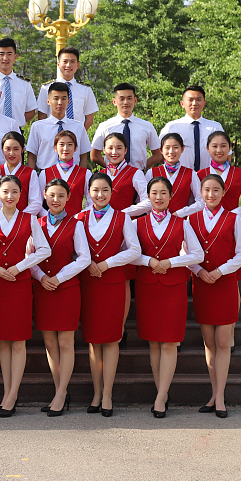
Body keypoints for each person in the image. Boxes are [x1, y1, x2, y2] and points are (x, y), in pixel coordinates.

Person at [133, 176, 204, 418]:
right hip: (147, 287)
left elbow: (198, 254)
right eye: (154, 193)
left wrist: (171, 262)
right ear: (148, 196)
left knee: (169, 342)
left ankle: (162, 397)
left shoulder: (182, 223)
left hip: (173, 287)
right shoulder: (137, 224)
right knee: (153, 342)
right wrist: (149, 260)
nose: (159, 197)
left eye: (164, 193)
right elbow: (129, 253)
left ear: (171, 196)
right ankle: (160, 391)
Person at [0, 174, 51, 417]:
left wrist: (20, 267)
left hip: (20, 284)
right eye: (5, 191)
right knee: (3, 341)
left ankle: (12, 395)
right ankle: (7, 391)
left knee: (18, 340)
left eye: (15, 192)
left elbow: (44, 250)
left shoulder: (30, 220)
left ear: (22, 195)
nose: (10, 196)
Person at [77, 173, 141, 417]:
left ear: (112, 192)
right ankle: (96, 392)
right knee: (93, 341)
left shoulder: (123, 218)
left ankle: (107, 394)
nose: (100, 195)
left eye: (105, 190)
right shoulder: (78, 218)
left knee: (111, 339)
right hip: (88, 284)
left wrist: (107, 264)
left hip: (112, 283)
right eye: (95, 190)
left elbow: (134, 250)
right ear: (88, 192)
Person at [188, 174, 241, 419]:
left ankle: (221, 396)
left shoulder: (233, 218)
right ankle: (213, 394)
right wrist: (201, 271)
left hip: (224, 284)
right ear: (200, 192)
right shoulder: (191, 220)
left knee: (223, 342)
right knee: (209, 343)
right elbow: (187, 252)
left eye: (216, 190)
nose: (211, 194)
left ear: (224, 193)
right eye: (206, 190)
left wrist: (219, 271)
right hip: (202, 283)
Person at [30, 178, 91, 417]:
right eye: (52, 195)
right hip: (43, 288)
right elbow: (30, 256)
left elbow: (83, 258)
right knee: (49, 343)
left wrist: (59, 277)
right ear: (44, 195)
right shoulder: (37, 223)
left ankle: (61, 393)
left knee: (65, 343)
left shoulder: (76, 225)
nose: (56, 200)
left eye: (61, 196)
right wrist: (40, 276)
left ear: (68, 198)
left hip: (66, 289)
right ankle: (60, 391)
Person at [91, 83, 162, 171]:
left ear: (135, 101)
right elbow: (94, 155)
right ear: (114, 102)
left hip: (138, 175)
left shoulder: (147, 126)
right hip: (113, 176)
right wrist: (111, 168)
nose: (126, 102)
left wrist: (141, 168)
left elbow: (158, 155)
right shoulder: (105, 126)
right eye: (121, 99)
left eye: (129, 98)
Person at [159, 85, 224, 173]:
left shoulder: (215, 127)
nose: (194, 103)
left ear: (204, 103)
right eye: (190, 100)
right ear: (182, 103)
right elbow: (160, 154)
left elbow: (226, 154)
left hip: (209, 179)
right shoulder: (172, 127)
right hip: (181, 178)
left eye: (199, 100)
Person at [27, 82, 91, 169]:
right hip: (46, 176)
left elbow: (83, 156)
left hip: (72, 175)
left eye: (64, 99)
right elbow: (31, 157)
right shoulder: (38, 127)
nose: (60, 103)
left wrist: (81, 177)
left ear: (68, 101)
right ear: (48, 101)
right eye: (56, 99)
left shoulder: (78, 127)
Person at [199, 131, 241, 216]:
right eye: (214, 146)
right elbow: (195, 202)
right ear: (208, 149)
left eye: (223, 146)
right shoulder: (199, 175)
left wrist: (232, 214)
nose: (219, 150)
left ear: (229, 148)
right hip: (204, 225)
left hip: (233, 225)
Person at [36, 47, 99, 131]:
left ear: (77, 65)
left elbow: (89, 118)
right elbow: (41, 116)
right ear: (58, 64)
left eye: (72, 62)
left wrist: (78, 133)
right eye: (65, 61)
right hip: (52, 136)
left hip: (76, 138)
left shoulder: (85, 89)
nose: (68, 65)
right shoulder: (46, 88)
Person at [151, 132, 205, 216]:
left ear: (182, 149)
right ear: (161, 150)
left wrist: (180, 213)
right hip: (155, 223)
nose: (171, 152)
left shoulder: (191, 174)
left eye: (175, 147)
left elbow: (201, 202)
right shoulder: (151, 172)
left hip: (181, 223)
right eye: (167, 148)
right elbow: (144, 200)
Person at [40, 130, 91, 218]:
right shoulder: (45, 173)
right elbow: (38, 203)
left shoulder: (86, 173)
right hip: (51, 224)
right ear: (55, 148)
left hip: (76, 223)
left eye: (70, 144)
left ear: (75, 148)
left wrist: (79, 217)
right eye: (62, 144)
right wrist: (49, 218)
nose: (65, 148)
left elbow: (91, 201)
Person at [0, 132, 41, 216]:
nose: (11, 153)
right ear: (2, 149)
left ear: (22, 149)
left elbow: (36, 203)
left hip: (22, 221)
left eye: (16, 149)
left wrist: (21, 217)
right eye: (8, 149)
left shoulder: (30, 173)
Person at [99, 132, 150, 216]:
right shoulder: (100, 175)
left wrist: (123, 213)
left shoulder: (135, 173)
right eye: (110, 148)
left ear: (125, 150)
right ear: (104, 150)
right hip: (101, 223)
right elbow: (90, 202)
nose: (114, 152)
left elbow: (148, 201)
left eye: (119, 148)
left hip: (125, 223)